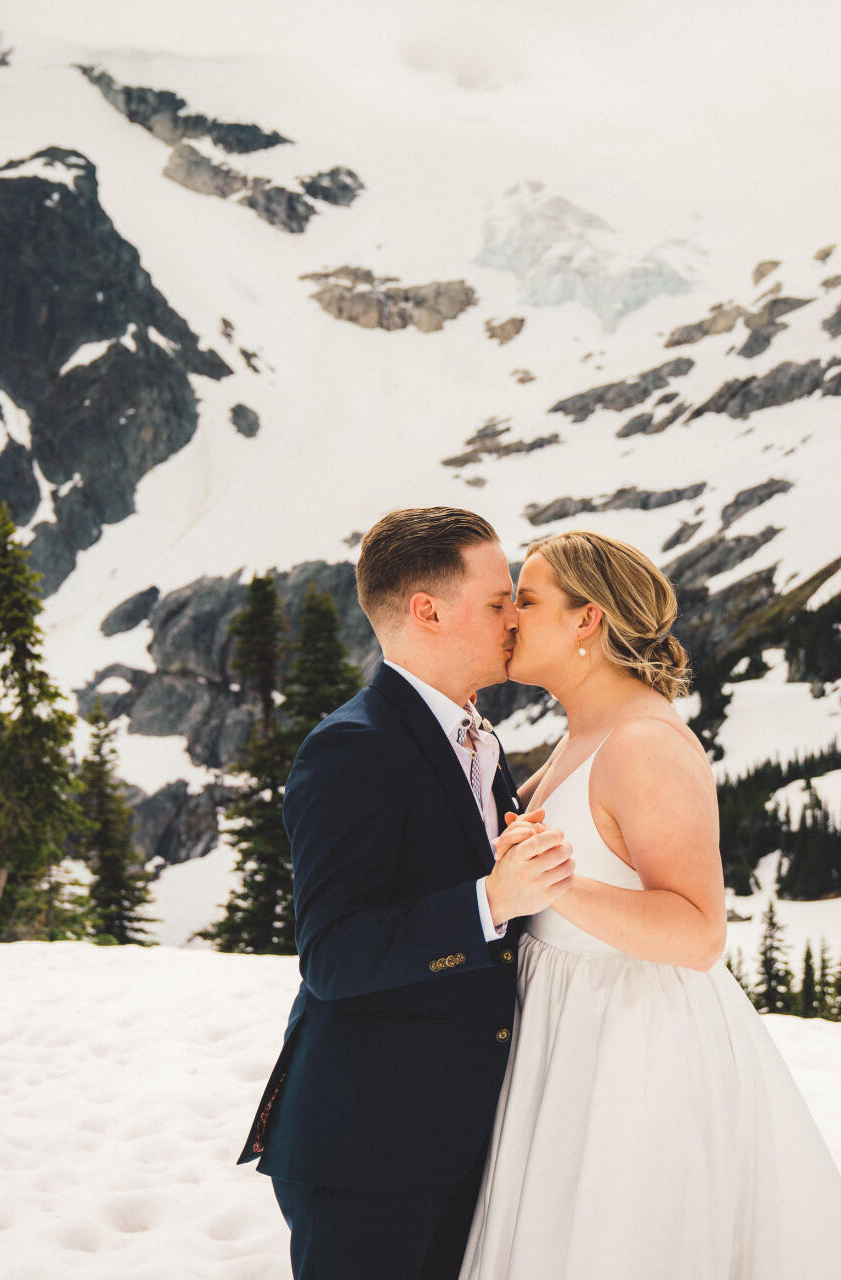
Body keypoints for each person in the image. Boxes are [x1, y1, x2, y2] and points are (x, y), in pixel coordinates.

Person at [457, 529, 841, 1279]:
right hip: (568, 1030)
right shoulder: (588, 729)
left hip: (629, 1046)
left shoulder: (644, 744)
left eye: (526, 600)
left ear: (587, 618)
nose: (510, 616)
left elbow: (697, 932)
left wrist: (553, 882)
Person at [235, 506, 577, 1280]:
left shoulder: (476, 738)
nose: (514, 619)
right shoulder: (352, 749)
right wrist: (490, 901)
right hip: (368, 1149)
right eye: (498, 601)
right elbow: (333, 957)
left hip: (456, 1139)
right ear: (428, 611)